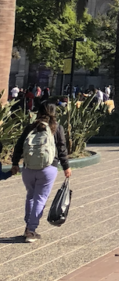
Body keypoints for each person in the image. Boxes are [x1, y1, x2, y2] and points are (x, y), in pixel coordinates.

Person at [10, 103, 71, 242]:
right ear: (54, 113)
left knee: (31, 196)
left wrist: (15, 163)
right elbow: (62, 149)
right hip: (48, 168)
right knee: (40, 198)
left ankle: (28, 226)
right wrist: (66, 167)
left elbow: (19, 145)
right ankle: (31, 230)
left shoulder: (30, 127)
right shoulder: (57, 128)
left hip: (28, 168)